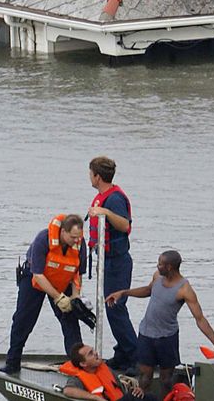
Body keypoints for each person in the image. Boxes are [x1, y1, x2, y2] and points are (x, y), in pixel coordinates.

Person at [106, 251, 214, 397]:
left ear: (169, 267)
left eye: (160, 264)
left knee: (166, 379)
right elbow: (148, 290)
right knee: (145, 375)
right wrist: (124, 293)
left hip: (167, 338)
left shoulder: (184, 289)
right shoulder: (157, 276)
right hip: (146, 334)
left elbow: (200, 319)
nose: (157, 266)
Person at [0, 214, 87, 374]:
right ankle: (12, 362)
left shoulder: (80, 244)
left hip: (62, 278)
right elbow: (38, 275)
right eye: (73, 237)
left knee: (70, 319)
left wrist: (75, 297)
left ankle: (79, 365)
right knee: (23, 319)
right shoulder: (43, 239)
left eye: (79, 237)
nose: (76, 241)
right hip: (35, 278)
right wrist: (58, 297)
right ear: (63, 232)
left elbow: (78, 274)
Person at [87, 156, 138, 371]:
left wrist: (106, 212)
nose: (89, 177)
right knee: (111, 309)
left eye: (91, 173)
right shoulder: (102, 196)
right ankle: (123, 353)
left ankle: (135, 355)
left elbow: (124, 225)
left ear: (97, 176)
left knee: (115, 307)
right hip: (106, 260)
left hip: (117, 261)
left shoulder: (114, 199)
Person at [61, 343, 158, 401]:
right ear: (83, 364)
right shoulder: (78, 378)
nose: (96, 353)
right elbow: (68, 391)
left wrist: (136, 390)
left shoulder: (105, 369)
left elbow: (120, 388)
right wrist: (96, 398)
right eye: (90, 354)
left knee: (149, 397)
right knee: (132, 398)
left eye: (93, 350)